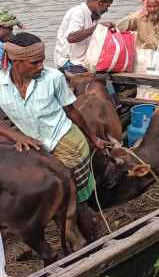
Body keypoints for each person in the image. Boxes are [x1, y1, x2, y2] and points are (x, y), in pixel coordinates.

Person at [0, 33, 108, 238]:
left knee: (75, 204)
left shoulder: (54, 78)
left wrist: (95, 140)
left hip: (68, 143)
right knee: (51, 200)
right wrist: (17, 136)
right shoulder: (0, 84)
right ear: (16, 61)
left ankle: (93, 242)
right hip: (36, 148)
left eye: (42, 60)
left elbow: (72, 111)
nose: (41, 66)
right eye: (35, 62)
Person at [55, 0, 115, 71]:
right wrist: (98, 27)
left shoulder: (93, 17)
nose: (107, 10)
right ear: (100, 2)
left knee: (106, 77)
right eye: (107, 6)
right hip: (67, 61)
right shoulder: (77, 13)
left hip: (83, 61)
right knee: (95, 82)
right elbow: (71, 37)